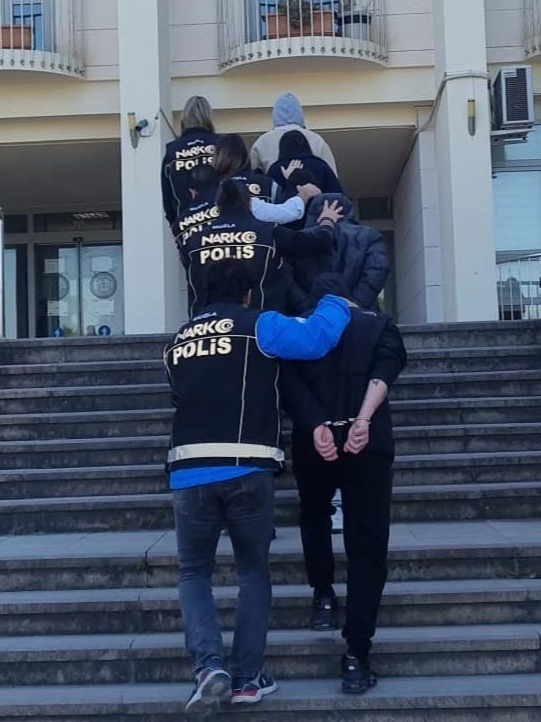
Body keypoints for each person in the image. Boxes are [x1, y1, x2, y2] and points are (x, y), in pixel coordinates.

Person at [165, 262, 353, 713]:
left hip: (188, 469)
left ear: (200, 295)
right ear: (249, 294)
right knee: (252, 572)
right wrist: (335, 301)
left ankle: (208, 667)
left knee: (194, 573)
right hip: (247, 465)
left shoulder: (178, 342)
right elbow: (316, 339)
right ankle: (247, 677)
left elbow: (177, 395)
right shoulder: (260, 325)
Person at [280, 274, 407, 695]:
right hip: (368, 442)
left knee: (314, 516)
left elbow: (287, 382)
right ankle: (356, 654)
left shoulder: (302, 329)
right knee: (367, 543)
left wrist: (317, 424)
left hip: (313, 440)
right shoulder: (380, 324)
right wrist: (363, 420)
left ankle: (323, 597)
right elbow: (387, 368)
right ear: (350, 300)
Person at [179, 179, 342, 316]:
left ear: (217, 206)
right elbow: (318, 243)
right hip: (260, 325)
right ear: (250, 203)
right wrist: (327, 221)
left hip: (206, 328)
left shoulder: (195, 241)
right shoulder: (268, 232)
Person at [286, 193, 390, 315]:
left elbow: (286, 278)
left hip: (309, 316)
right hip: (360, 315)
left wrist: (307, 306)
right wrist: (357, 304)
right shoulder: (369, 236)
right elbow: (377, 270)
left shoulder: (299, 238)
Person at [162, 96, 219, 230]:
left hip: (188, 224)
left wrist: (175, 224)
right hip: (222, 223)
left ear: (185, 118)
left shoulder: (172, 150)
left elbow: (167, 196)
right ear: (208, 116)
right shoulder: (222, 144)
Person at [250, 93, 338, 176]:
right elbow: (331, 173)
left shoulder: (262, 141)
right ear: (300, 114)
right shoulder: (316, 140)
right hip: (314, 186)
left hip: (275, 185)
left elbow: (252, 175)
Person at [266, 130, 344, 197]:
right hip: (321, 209)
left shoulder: (276, 168)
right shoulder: (321, 165)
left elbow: (269, 198)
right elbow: (336, 193)